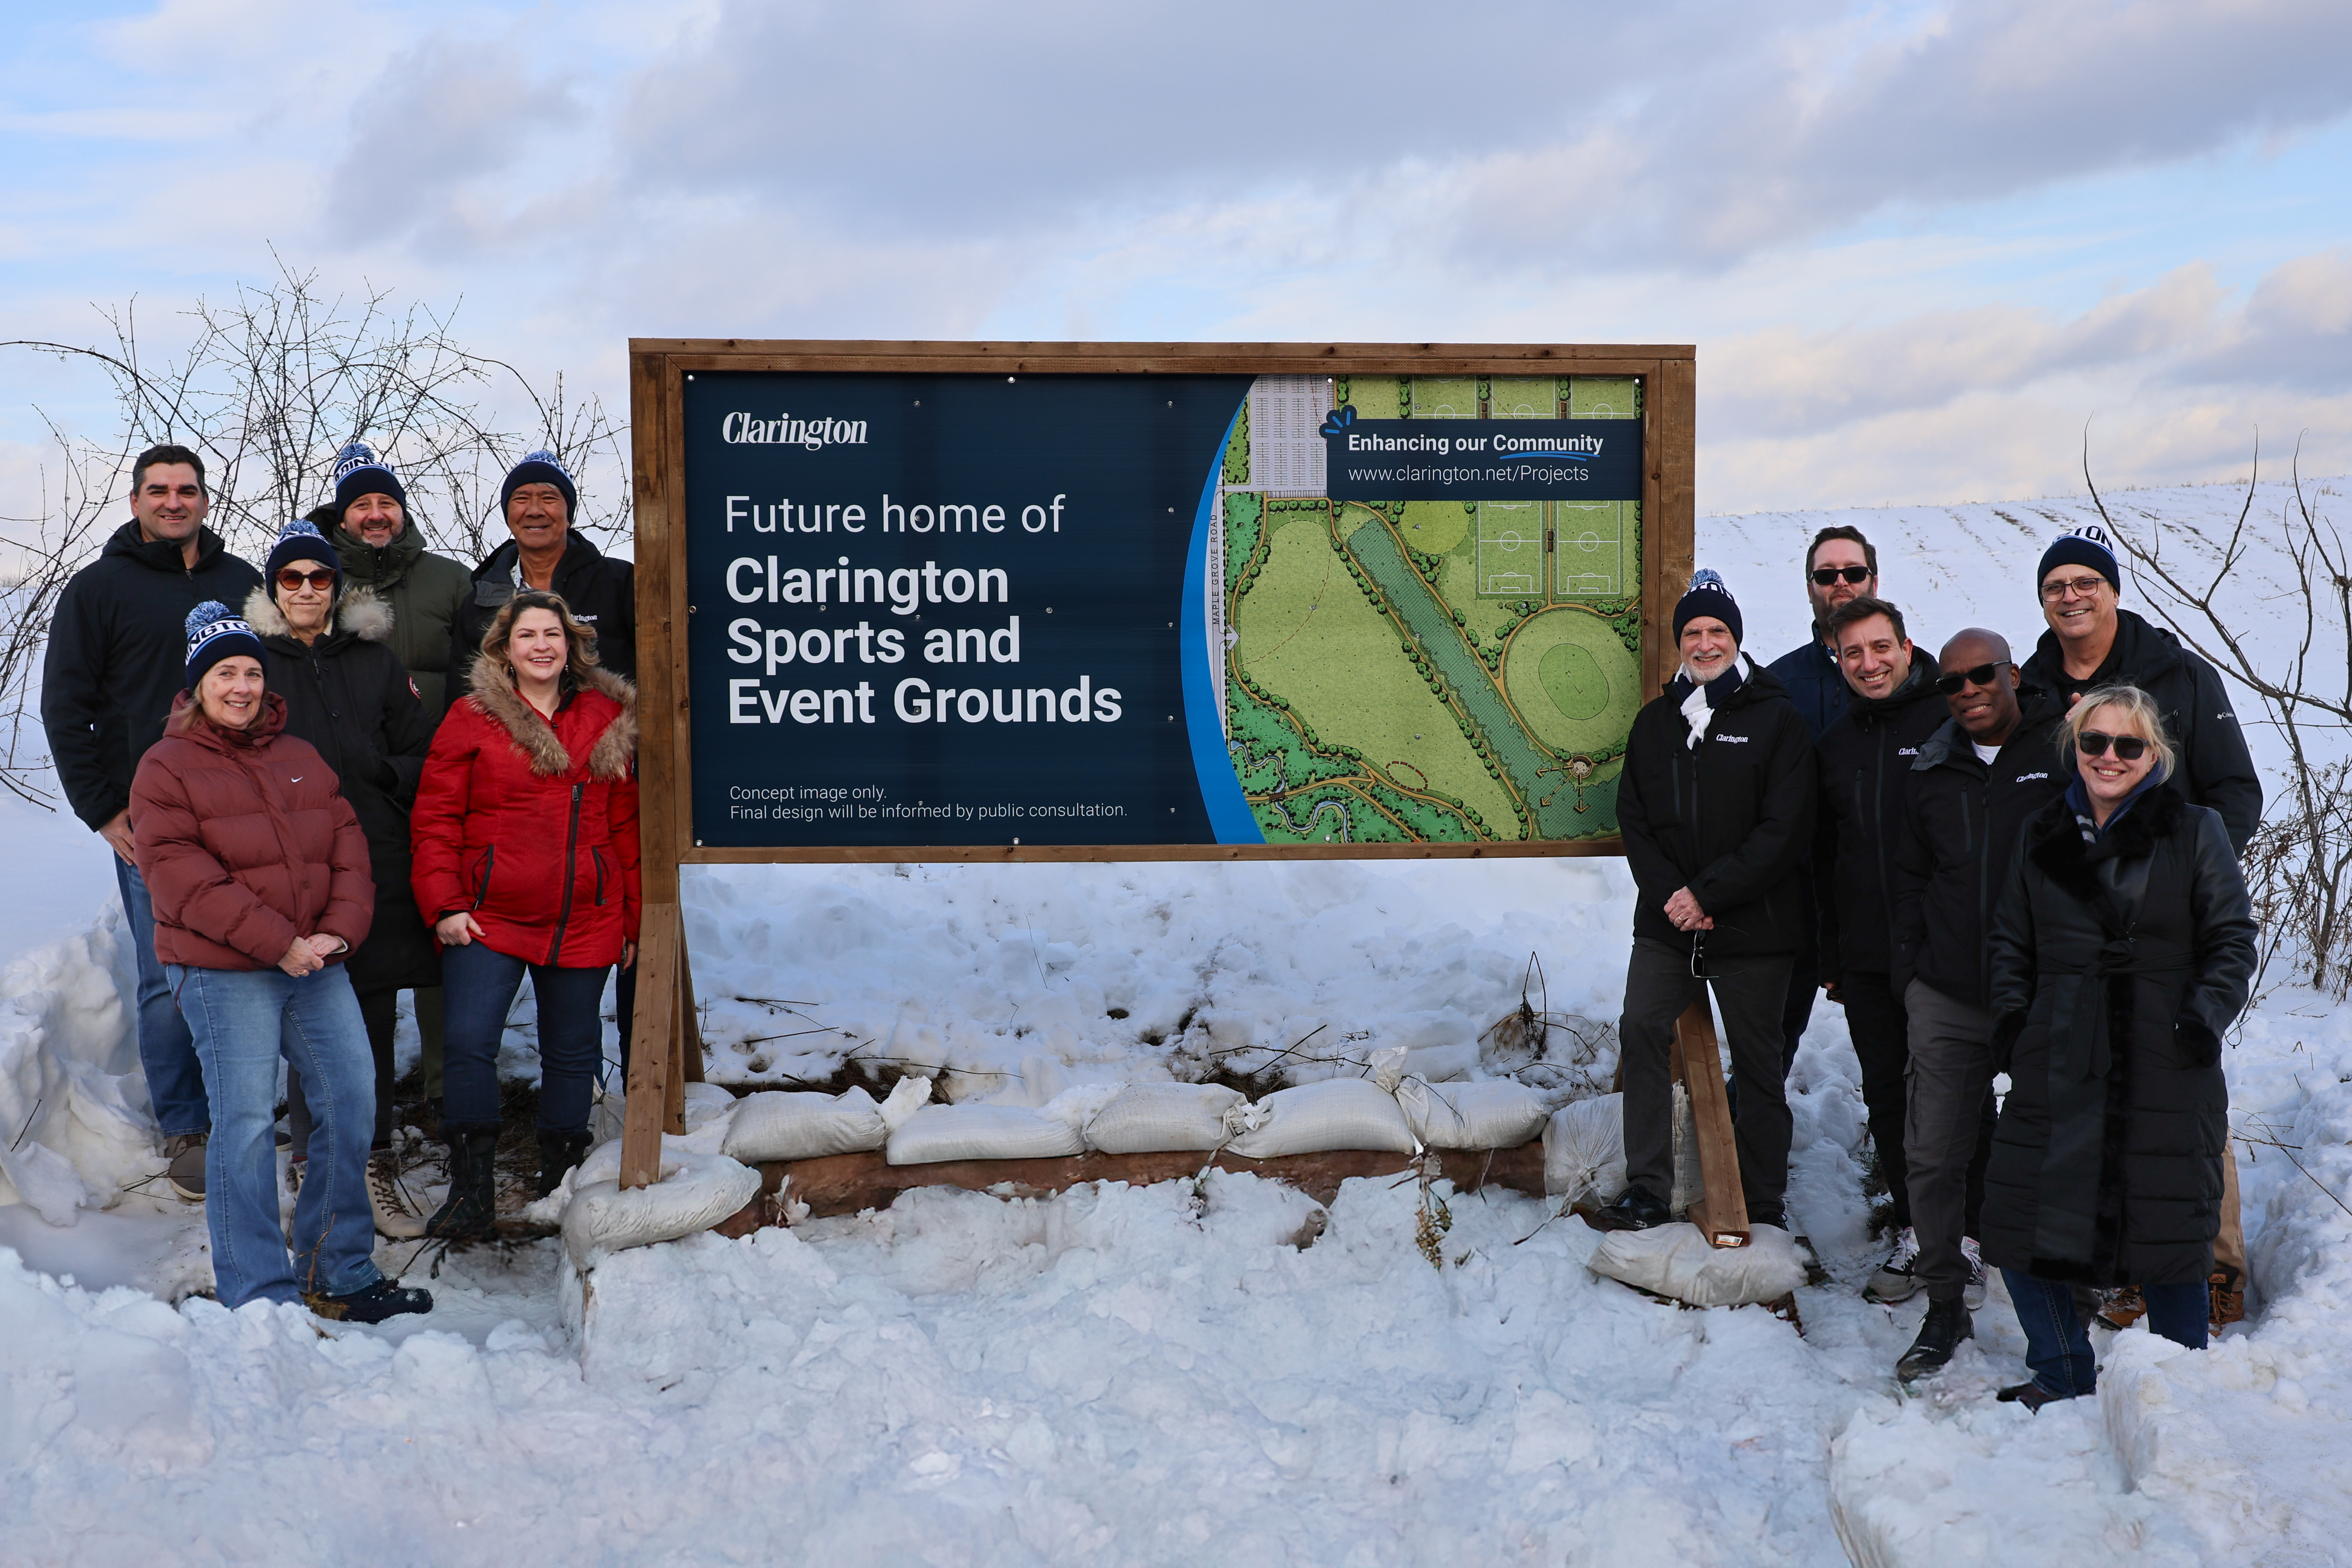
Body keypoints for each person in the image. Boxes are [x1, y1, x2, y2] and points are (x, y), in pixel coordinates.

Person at [128, 602, 432, 1322]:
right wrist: (280, 942)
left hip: (315, 964)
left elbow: (349, 852)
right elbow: (179, 879)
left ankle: (338, 1265)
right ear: (199, 685)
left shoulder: (300, 757)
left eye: (252, 673)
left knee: (353, 1100)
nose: (241, 687)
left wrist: (337, 934)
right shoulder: (165, 767)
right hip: (223, 970)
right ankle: (256, 1292)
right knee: (246, 1124)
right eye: (225, 673)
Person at [1981, 686, 2254, 1408]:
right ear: (2075, 749)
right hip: (2059, 1043)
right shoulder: (2041, 832)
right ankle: (2061, 1370)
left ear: (2151, 755)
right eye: (2093, 742)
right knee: (2017, 1219)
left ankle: (2174, 1387)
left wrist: (2198, 1021)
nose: (2107, 757)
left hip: (2164, 1048)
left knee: (2166, 1228)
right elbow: (2009, 941)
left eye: (2125, 745)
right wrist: (2014, 1023)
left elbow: (2230, 941)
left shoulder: (2193, 830)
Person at [2018, 523, 2262, 1325]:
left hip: (2168, 930)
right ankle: (2132, 1268)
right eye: (2056, 585)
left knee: (2183, 1107)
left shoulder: (2178, 676)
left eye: (2086, 582)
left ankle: (2214, 1268)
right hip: (2081, 941)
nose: (2070, 596)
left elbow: (2235, 794)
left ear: (2113, 590)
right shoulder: (2032, 685)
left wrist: (2185, 871)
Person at [40, 444, 264, 1201]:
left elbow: (278, 684)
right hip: (152, 820)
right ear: (135, 501)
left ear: (208, 499)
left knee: (251, 958)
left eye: (188, 490)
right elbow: (66, 706)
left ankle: (247, 1107)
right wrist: (102, 809)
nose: (175, 502)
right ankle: (188, 1125)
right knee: (170, 973)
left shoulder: (243, 584)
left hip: (246, 814)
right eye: (159, 491)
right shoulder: (97, 590)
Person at [1591, 570, 1817, 1233]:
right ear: (1678, 643)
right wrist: (1674, 897)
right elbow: (1634, 818)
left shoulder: (1775, 718)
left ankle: (1764, 1199)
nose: (1705, 641)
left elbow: (1784, 827)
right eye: (1692, 631)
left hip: (1753, 924)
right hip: (1668, 925)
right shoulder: (1655, 723)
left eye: (1717, 630)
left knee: (1757, 1060)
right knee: (1639, 1028)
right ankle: (1646, 1186)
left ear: (1735, 638)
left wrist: (1709, 892)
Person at [411, 591, 640, 1238]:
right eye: (526, 635)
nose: (541, 645)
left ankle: (559, 1186)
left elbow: (625, 824)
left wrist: (632, 918)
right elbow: (435, 818)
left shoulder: (606, 715)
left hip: (585, 916)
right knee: (467, 1042)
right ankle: (471, 1191)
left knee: (572, 1053)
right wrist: (446, 903)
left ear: (572, 645)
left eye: (552, 634)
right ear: (504, 649)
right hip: (489, 916)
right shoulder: (472, 717)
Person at [245, 521, 438, 1237]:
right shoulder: (253, 664)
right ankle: (312, 1162)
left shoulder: (373, 660)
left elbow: (424, 754)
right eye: (290, 578)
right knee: (309, 1017)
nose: (304, 589)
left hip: (376, 859)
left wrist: (381, 771)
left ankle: (374, 1158)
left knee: (375, 1018)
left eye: (318, 578)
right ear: (273, 588)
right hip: (289, 869)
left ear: (336, 588)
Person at [1883, 631, 2066, 1380]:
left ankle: (2060, 1304)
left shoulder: (2063, 752)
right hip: (1948, 994)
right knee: (1930, 1157)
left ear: (2011, 674)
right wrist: (1911, 973)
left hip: (2042, 991)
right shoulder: (1931, 770)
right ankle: (1943, 1305)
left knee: (2055, 1152)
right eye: (1951, 683)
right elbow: (1907, 881)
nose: (1966, 692)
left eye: (1980, 676)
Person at [308, 442, 469, 1132]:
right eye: (361, 504)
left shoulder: (448, 580)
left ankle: (442, 1087)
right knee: (354, 937)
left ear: (402, 510)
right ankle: (356, 1099)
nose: (376, 515)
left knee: (442, 925)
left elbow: (475, 675)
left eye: (386, 502)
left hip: (440, 780)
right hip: (351, 797)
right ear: (343, 515)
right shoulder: (314, 578)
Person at [1812, 596, 1948, 1304]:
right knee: (1889, 1097)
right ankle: (1915, 1232)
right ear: (1836, 661)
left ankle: (1968, 1236)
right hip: (1867, 959)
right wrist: (1832, 957)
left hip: (1940, 951)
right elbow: (1829, 855)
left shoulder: (1947, 723)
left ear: (1905, 645)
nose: (1868, 664)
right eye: (1852, 653)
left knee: (1950, 1096)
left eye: (1878, 648)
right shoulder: (1836, 744)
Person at [1765, 526, 1879, 1081]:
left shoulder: (1919, 678)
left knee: (1897, 1051)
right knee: (1770, 1046)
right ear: (1809, 585)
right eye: (1825, 574)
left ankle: (1917, 1167)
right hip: (1796, 903)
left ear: (1872, 580)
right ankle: (1745, 1160)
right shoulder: (1776, 685)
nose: (1840, 583)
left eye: (1852, 572)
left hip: (1879, 902)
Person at [448, 450, 636, 694]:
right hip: (513, 730)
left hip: (608, 729)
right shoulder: (480, 602)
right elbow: (461, 697)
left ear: (569, 515)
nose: (534, 510)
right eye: (521, 499)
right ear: (508, 515)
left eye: (549, 498)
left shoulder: (619, 582)